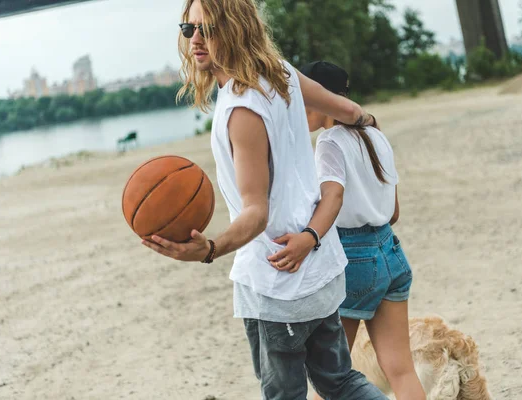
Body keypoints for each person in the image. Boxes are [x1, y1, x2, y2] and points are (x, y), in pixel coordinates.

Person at [142, 1, 388, 399]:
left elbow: (257, 213)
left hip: (278, 280)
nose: (196, 40)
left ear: (236, 27)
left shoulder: (241, 108)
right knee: (341, 383)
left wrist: (210, 249)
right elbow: (348, 110)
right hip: (319, 265)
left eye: (209, 28)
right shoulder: (282, 73)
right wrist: (368, 128)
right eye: (188, 30)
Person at [267, 61, 426, 400]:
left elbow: (334, 196)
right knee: (401, 369)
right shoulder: (375, 135)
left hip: (354, 262)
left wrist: (308, 237)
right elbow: (393, 211)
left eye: (301, 98)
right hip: (391, 252)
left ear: (320, 97)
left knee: (331, 377)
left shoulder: (329, 143)